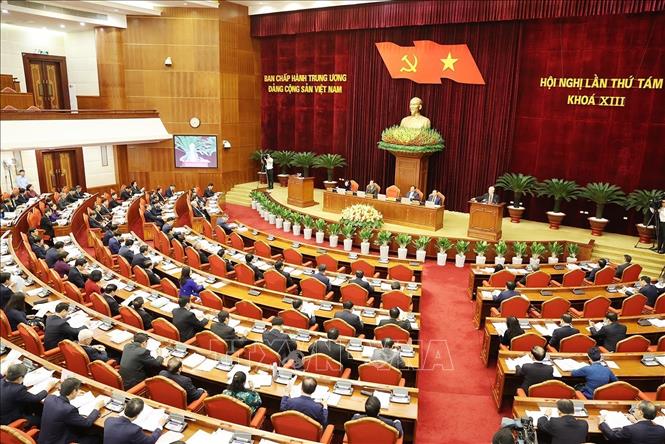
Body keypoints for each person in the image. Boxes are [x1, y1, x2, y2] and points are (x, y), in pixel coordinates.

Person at [39, 377, 104, 444]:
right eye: (77, 390)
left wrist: (74, 395)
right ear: (73, 391)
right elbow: (86, 423)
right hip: (58, 441)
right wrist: (97, 407)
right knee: (97, 436)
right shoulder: (69, 410)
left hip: (44, 439)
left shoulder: (49, 398)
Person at [1, 363, 55, 427]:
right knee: (41, 420)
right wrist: (48, 388)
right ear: (20, 377)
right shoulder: (18, 390)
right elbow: (36, 398)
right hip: (7, 420)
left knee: (31, 405)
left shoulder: (1, 381)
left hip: (5, 412)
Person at [599, 400, 665, 444]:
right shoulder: (661, 429)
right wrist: (635, 421)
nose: (634, 410)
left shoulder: (629, 429)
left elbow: (613, 437)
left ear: (640, 412)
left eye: (636, 408)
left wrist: (602, 422)